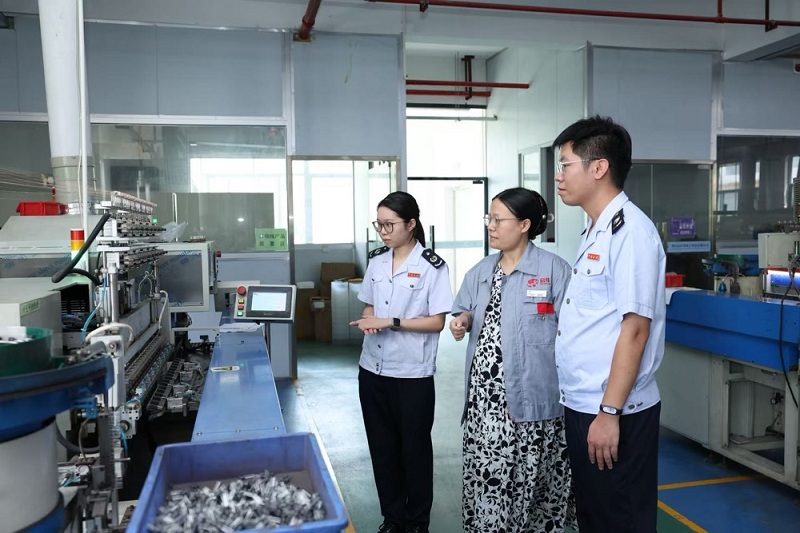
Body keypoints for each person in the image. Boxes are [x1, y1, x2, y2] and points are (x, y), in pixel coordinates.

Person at [551, 115, 666, 533]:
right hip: (586, 404)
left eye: (565, 165)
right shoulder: (596, 230)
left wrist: (609, 413)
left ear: (598, 167)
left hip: (613, 409)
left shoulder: (630, 232)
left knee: (620, 518)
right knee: (596, 516)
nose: (558, 176)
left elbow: (635, 330)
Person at [450, 187, 574, 532]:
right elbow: (464, 308)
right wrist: (462, 320)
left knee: (533, 487)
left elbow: (574, 333)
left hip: (534, 403)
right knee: (488, 482)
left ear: (524, 225)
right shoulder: (480, 271)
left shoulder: (554, 270)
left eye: (498, 219)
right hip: (485, 405)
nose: (490, 226)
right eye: (488, 218)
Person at [350, 191, 453, 533]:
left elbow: (437, 322)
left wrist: (391, 321)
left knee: (415, 451)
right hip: (372, 370)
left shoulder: (432, 266)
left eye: (389, 224)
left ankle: (417, 523)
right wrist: (369, 319)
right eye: (379, 224)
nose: (383, 231)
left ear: (411, 224)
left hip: (412, 374)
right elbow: (369, 304)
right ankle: (392, 519)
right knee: (382, 449)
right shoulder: (378, 261)